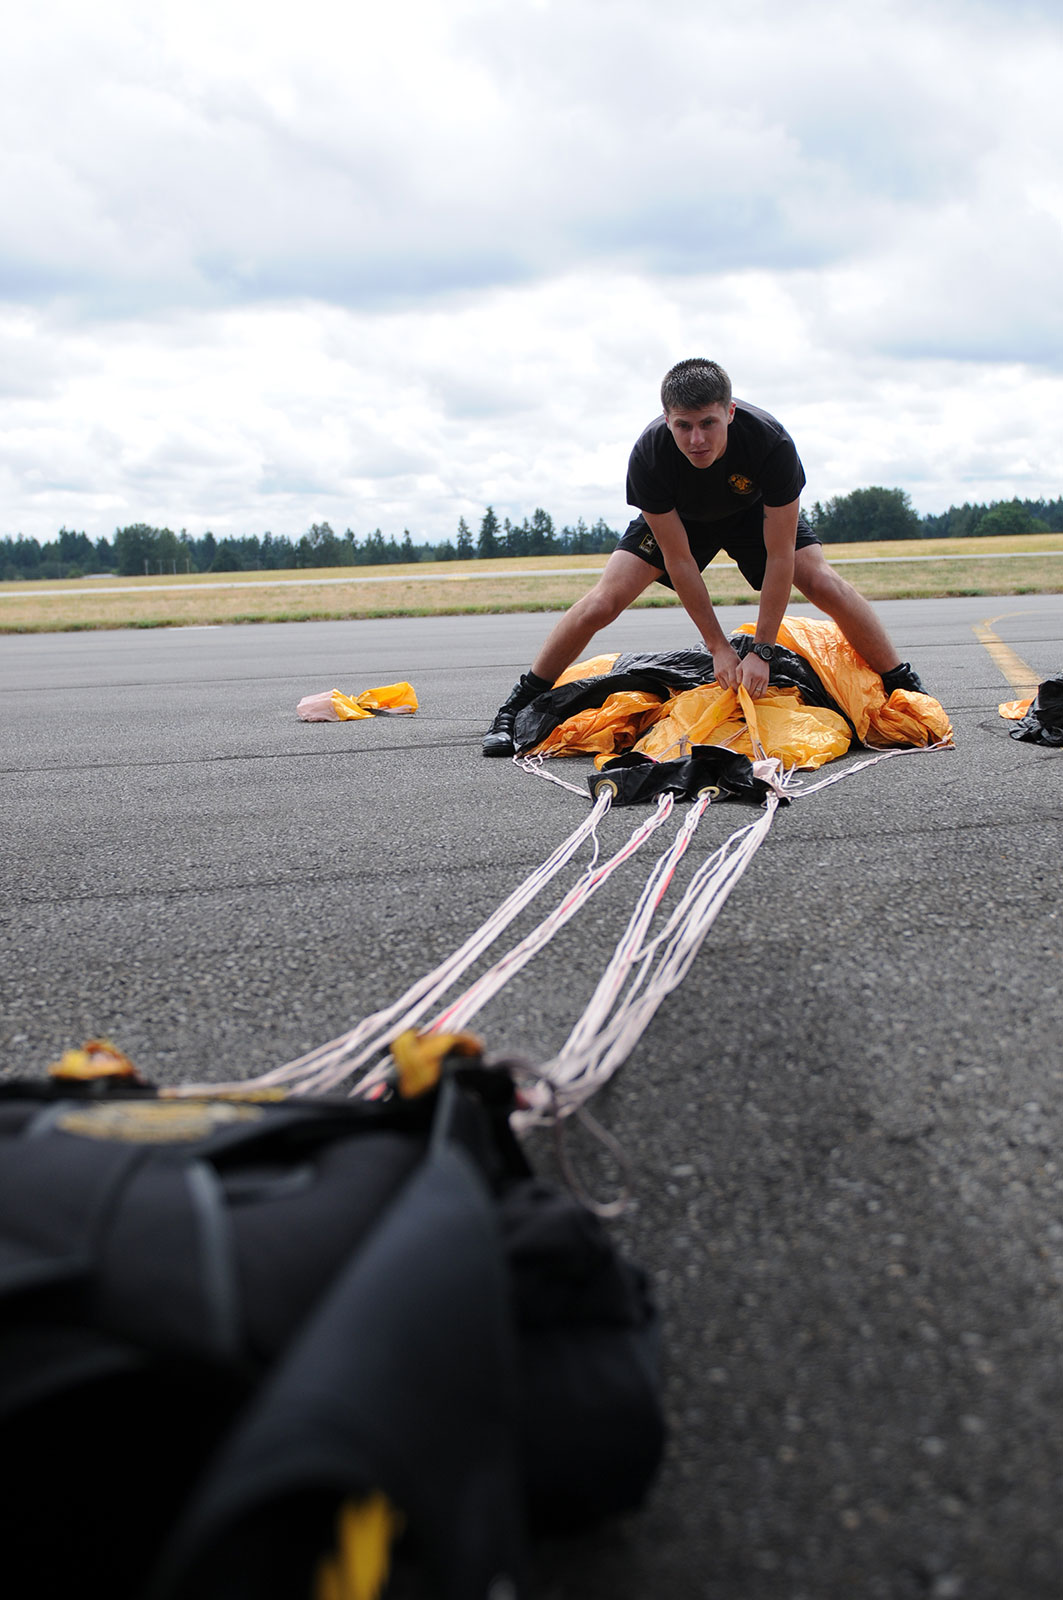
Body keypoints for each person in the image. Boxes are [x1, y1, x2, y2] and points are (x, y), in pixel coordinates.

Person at [482, 357, 927, 756]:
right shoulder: (650, 456)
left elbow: (779, 556)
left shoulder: (770, 442)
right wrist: (718, 648)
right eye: (683, 426)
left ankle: (904, 684)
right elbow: (680, 563)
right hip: (683, 521)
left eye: (709, 423)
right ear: (666, 419)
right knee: (602, 602)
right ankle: (517, 705)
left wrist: (763, 651)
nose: (696, 439)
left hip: (754, 515)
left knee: (822, 581)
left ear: (730, 412)